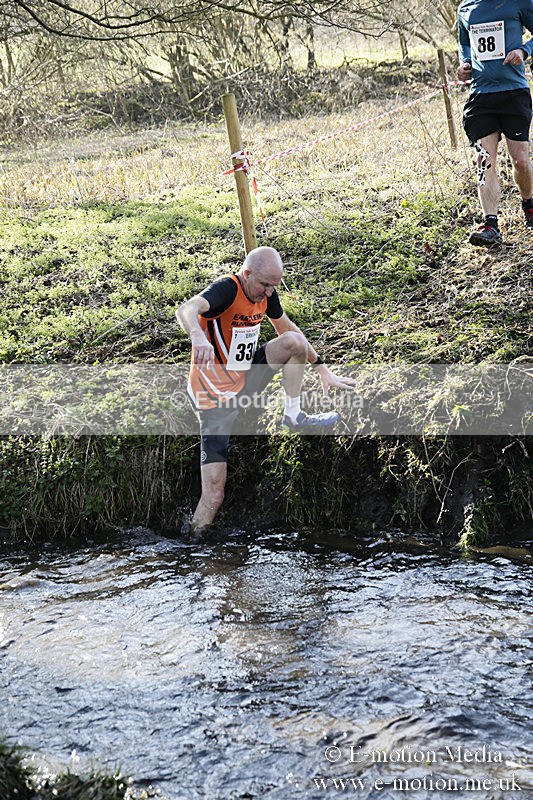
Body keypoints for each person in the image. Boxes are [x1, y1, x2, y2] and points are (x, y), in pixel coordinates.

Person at [176, 246, 356, 534]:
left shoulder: (266, 292)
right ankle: (194, 543)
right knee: (214, 494)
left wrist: (322, 368)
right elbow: (186, 309)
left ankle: (293, 416)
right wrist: (198, 337)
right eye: (265, 285)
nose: (269, 293)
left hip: (245, 381)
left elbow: (287, 328)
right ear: (247, 274)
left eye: (275, 286)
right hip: (214, 403)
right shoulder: (227, 290)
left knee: (294, 341)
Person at [457, 0, 533, 246]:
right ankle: (491, 225)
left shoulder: (519, 2)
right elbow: (464, 43)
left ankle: (529, 205)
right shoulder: (466, 8)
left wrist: (524, 51)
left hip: (514, 93)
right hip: (481, 96)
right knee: (484, 160)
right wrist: (464, 63)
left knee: (520, 161)